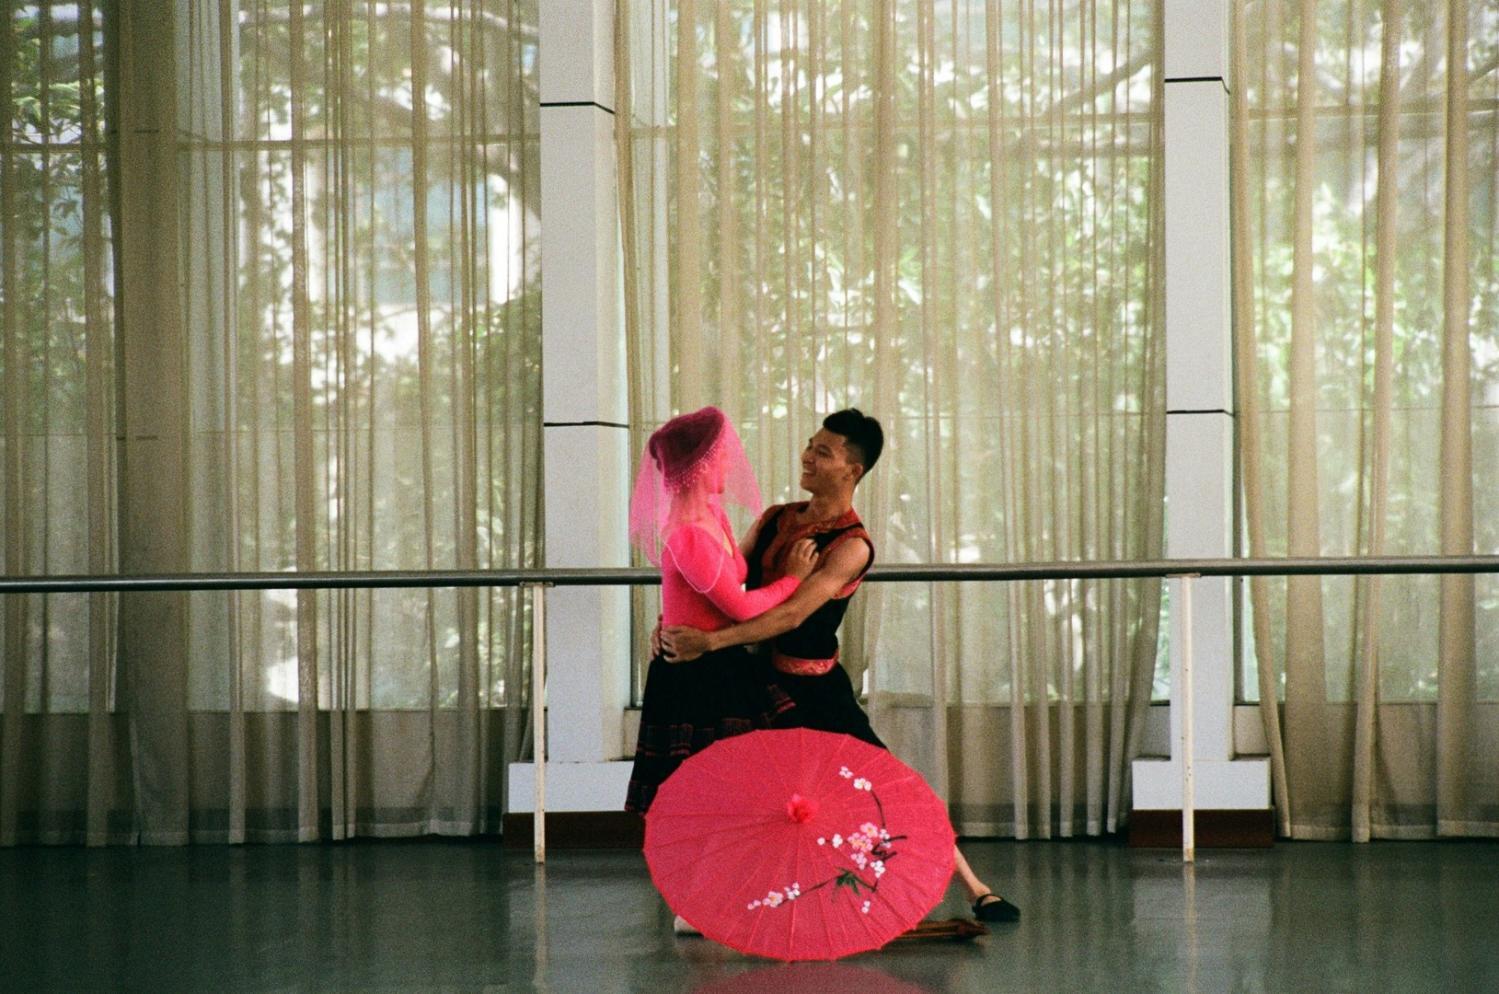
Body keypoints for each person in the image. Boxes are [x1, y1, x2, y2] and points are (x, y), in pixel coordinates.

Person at [661, 408, 1021, 924]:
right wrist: (674, 620)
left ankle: (974, 887)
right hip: (756, 679)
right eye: (811, 444)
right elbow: (718, 582)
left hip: (814, 687)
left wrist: (709, 644)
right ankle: (718, 902)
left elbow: (792, 613)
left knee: (883, 785)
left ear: (852, 469)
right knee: (753, 797)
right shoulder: (776, 518)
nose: (808, 455)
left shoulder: (852, 545)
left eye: (823, 452)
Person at [623, 405, 817, 816]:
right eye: (723, 452)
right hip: (694, 672)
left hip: (718, 659)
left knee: (740, 781)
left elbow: (726, 577)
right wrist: (795, 579)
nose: (731, 460)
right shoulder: (689, 535)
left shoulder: (714, 515)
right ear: (702, 463)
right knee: (704, 788)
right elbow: (743, 608)